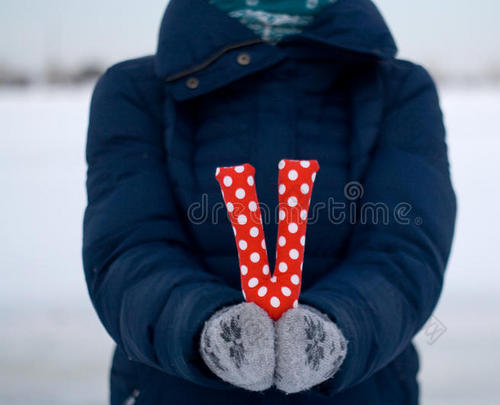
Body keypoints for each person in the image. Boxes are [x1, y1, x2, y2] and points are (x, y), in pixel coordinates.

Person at [82, 0, 457, 403]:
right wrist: (202, 327)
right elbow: (127, 248)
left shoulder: (398, 89)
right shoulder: (136, 91)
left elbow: (406, 248)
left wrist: (338, 329)